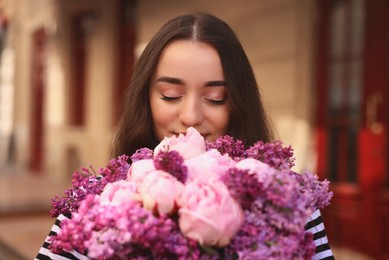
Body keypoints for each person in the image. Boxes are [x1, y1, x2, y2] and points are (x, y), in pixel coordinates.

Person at [36, 13, 334, 259]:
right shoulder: (96, 203)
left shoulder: (288, 202)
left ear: (239, 104)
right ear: (146, 99)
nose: (191, 116)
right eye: (171, 95)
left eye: (215, 97)